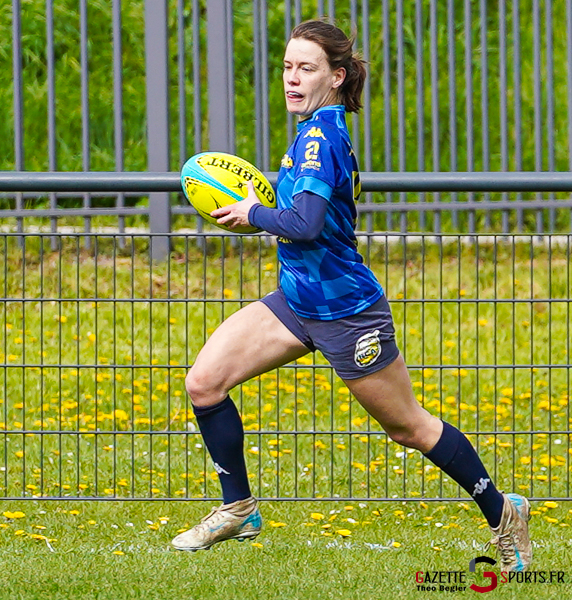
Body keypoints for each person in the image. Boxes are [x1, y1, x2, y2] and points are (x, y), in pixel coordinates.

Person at [170, 19, 532, 572]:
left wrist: (253, 213)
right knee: (204, 383)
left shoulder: (321, 137)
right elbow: (298, 215)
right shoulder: (312, 131)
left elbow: (307, 224)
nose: (292, 78)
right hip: (297, 301)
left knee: (410, 427)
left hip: (346, 313)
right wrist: (258, 208)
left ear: (336, 77)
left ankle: (505, 513)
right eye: (287, 67)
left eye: (306, 68)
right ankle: (238, 507)